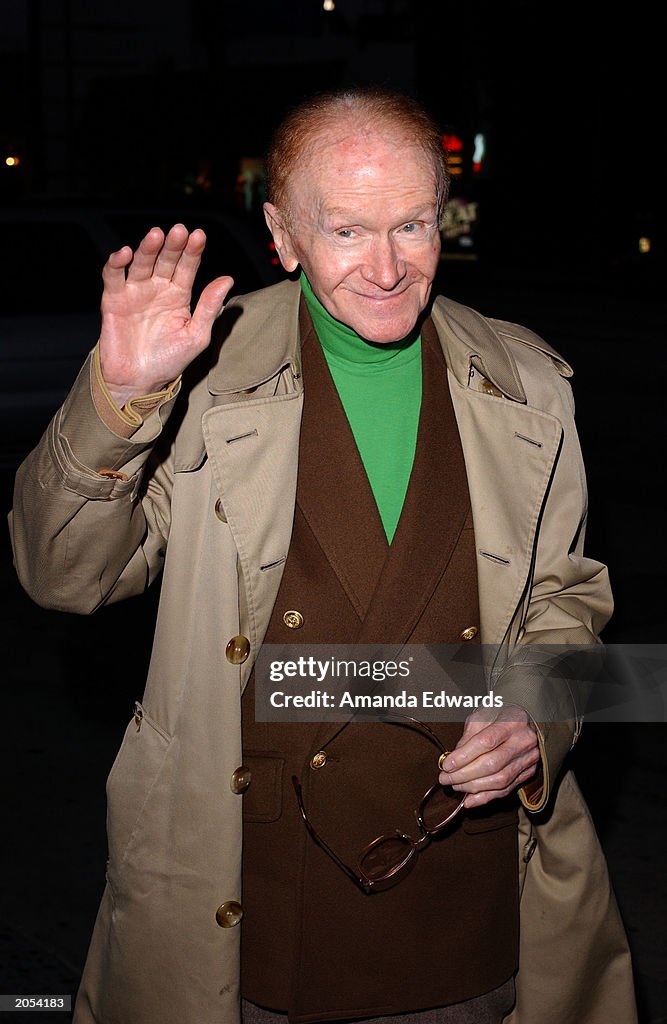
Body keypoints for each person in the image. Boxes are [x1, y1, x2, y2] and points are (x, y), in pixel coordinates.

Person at [9, 87, 637, 1024]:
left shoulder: (528, 383)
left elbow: (567, 595)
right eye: (345, 231)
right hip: (249, 897)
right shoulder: (198, 378)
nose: (386, 268)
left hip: (469, 895)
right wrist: (118, 404)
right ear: (282, 234)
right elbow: (64, 577)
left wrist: (534, 715)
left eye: (412, 225)